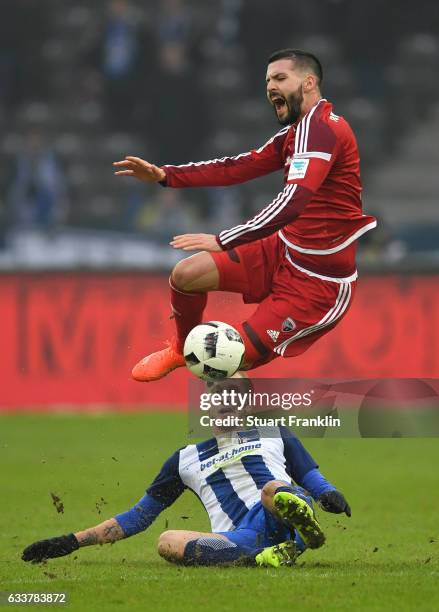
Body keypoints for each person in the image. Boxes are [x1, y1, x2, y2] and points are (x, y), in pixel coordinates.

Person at [113, 48, 377, 382]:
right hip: (284, 250)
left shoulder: (323, 130)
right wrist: (166, 176)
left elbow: (293, 201)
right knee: (185, 275)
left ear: (309, 83)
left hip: (316, 283)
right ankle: (181, 347)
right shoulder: (296, 133)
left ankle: (255, 434)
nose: (270, 87)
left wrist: (224, 239)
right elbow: (239, 167)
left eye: (280, 78)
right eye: (268, 80)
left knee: (228, 361)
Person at [21, 377, 351, 568]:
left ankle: (302, 533)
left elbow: (311, 478)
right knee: (167, 542)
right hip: (237, 536)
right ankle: (265, 557)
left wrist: (329, 495)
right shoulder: (184, 459)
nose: (226, 404)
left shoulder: (273, 432)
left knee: (272, 489)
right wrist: (71, 542)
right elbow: (139, 517)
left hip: (276, 512)